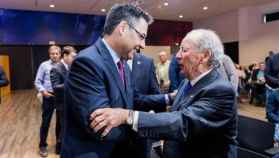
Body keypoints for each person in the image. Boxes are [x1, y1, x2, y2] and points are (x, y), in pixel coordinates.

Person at [91, 29, 237, 158]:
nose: (177, 56)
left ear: (204, 56)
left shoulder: (220, 90)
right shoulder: (187, 81)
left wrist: (128, 116)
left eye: (184, 50)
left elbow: (183, 123)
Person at [61, 4, 153, 158]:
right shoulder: (88, 62)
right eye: (142, 36)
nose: (143, 45)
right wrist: (147, 122)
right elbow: (101, 128)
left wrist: (168, 98)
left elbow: (133, 99)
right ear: (123, 28)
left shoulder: (122, 63)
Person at [34, 45, 61, 157]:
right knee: (46, 122)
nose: (54, 55)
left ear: (60, 54)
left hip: (60, 97)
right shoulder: (44, 65)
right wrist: (43, 91)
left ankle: (59, 145)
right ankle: (42, 145)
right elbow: (37, 81)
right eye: (52, 53)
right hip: (48, 96)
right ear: (49, 54)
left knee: (60, 123)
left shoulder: (63, 65)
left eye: (56, 53)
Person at [50, 46, 77, 154]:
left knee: (64, 127)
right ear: (65, 55)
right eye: (72, 56)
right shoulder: (56, 68)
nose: (74, 59)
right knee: (62, 127)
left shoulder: (70, 67)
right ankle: (61, 148)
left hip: (70, 102)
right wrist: (71, 83)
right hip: (62, 104)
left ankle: (63, 147)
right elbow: (55, 87)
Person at [264, 52, 279, 143]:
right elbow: (266, 74)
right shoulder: (272, 59)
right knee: (271, 112)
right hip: (272, 89)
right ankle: (271, 137)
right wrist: (278, 82)